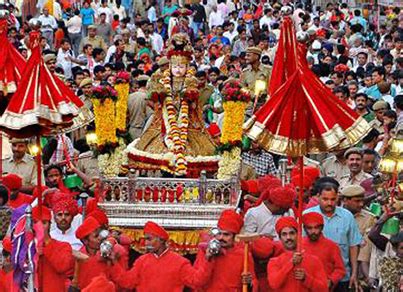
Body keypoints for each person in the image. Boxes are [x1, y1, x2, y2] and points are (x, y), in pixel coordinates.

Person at [109, 221, 214, 291]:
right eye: (145, 239)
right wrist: (113, 262)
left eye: (149, 239)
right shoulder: (141, 261)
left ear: (161, 240)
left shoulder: (180, 262)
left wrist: (208, 259)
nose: (145, 243)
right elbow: (127, 282)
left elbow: (197, 281)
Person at [304, 181, 363, 291]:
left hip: (342, 276)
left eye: (333, 199)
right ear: (318, 197)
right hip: (313, 278)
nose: (329, 203)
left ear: (338, 198)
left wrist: (354, 273)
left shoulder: (347, 216)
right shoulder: (307, 215)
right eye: (325, 199)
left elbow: (354, 245)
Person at [194, 209, 258, 291]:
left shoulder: (243, 255)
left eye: (226, 234)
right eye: (219, 233)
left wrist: (249, 283)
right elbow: (197, 281)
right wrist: (208, 259)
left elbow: (253, 282)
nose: (221, 238)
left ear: (234, 236)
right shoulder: (205, 250)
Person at [267, 216, 328, 291]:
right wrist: (291, 263)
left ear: (298, 235)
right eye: (284, 234)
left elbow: (324, 289)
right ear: (280, 238)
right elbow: (274, 284)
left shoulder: (314, 260)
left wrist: (306, 278)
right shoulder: (274, 262)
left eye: (292, 233)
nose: (288, 237)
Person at [31, 206, 80, 292]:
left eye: (44, 223)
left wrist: (46, 240)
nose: (39, 227)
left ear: (50, 224)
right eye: (35, 222)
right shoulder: (26, 247)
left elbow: (62, 266)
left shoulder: (63, 246)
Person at [340, 185, 376, 288]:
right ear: (345, 200)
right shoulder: (335, 216)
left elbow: (365, 249)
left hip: (359, 271)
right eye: (357, 201)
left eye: (362, 201)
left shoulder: (369, 218)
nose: (361, 204)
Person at [302, 212, 346, 290]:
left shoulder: (332, 246)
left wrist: (331, 280)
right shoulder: (299, 245)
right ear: (305, 228)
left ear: (322, 228)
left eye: (316, 228)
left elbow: (340, 269)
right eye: (310, 228)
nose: (313, 231)